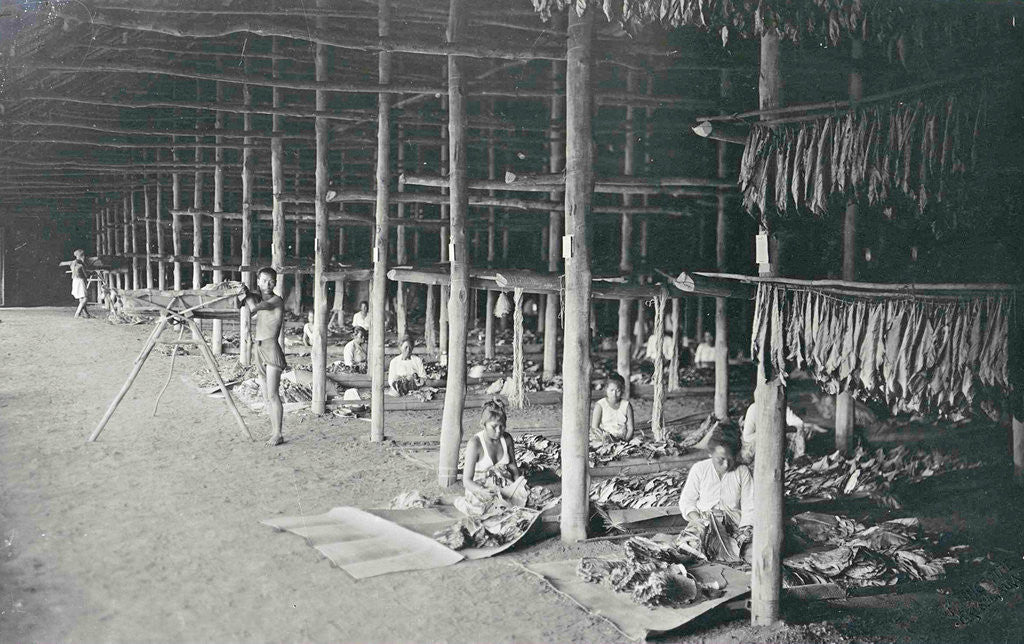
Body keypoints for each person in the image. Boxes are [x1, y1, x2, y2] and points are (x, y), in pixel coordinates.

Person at [239, 267, 286, 446]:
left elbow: (253, 308)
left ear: (275, 283)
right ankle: (274, 430)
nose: (268, 284)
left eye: (272, 281)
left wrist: (247, 294)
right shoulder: (262, 297)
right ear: (258, 281)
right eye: (264, 280)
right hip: (258, 349)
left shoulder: (276, 300)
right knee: (267, 396)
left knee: (273, 394)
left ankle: (278, 433)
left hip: (271, 349)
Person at [678, 427, 753, 530]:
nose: (726, 465)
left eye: (730, 459)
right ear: (711, 454)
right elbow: (687, 501)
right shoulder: (700, 469)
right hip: (703, 523)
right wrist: (697, 520)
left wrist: (745, 529)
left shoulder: (742, 471)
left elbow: (750, 506)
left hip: (735, 525)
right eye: (721, 459)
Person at [462, 399, 521, 498]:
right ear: (482, 424)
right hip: (481, 488)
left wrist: (519, 484)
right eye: (494, 427)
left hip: (504, 484)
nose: (498, 431)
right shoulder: (475, 444)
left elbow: (513, 466)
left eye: (502, 426)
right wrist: (480, 491)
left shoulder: (507, 439)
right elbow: (466, 481)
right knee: (483, 505)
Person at [590, 373, 635, 443]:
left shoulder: (626, 405)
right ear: (606, 389)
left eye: (618, 391)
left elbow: (630, 428)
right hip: (604, 440)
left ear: (622, 390)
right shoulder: (600, 405)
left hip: (623, 439)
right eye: (611, 390)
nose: (614, 394)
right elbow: (595, 427)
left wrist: (625, 441)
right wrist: (606, 439)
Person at [69, 249, 92, 319]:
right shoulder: (81, 264)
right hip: (80, 281)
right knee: (85, 298)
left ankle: (86, 314)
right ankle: (77, 313)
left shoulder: (72, 263)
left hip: (75, 280)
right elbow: (86, 275)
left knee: (81, 297)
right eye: (83, 255)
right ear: (81, 256)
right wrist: (92, 272)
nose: (84, 257)